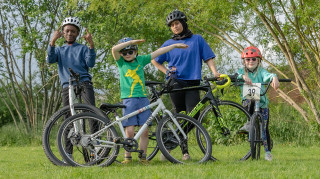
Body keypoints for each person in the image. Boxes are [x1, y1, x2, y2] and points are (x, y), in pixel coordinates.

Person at [151, 10, 221, 160]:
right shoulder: (169, 44)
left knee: (193, 115)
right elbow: (154, 59)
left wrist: (215, 72)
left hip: (193, 83)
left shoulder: (197, 40)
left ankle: (170, 142)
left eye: (177, 23)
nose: (174, 27)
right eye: (172, 25)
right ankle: (184, 152)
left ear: (183, 23)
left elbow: (208, 58)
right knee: (178, 115)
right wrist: (166, 72)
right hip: (175, 82)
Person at [112, 37, 188, 164]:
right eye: (124, 53)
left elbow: (158, 52)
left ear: (135, 52)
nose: (127, 55)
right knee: (129, 131)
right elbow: (114, 49)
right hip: (129, 100)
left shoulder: (140, 60)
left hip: (143, 99)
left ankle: (143, 157)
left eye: (130, 52)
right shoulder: (121, 63)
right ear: (121, 54)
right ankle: (127, 157)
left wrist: (174, 46)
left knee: (145, 130)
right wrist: (131, 43)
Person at [47, 16, 98, 156]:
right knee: (68, 118)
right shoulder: (59, 50)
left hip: (84, 83)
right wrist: (52, 41)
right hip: (67, 86)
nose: (70, 33)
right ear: (63, 32)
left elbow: (91, 63)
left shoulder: (82, 48)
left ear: (77, 33)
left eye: (73, 31)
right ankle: (68, 153)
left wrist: (91, 45)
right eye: (67, 31)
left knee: (91, 114)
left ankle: (96, 149)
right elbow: (50, 59)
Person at [237, 46, 280, 161]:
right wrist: (242, 77)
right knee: (249, 103)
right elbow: (235, 76)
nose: (251, 61)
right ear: (244, 61)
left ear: (259, 60)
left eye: (253, 59)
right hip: (248, 102)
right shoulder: (242, 72)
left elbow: (268, 75)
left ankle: (267, 152)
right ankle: (248, 124)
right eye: (248, 59)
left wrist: (274, 77)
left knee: (264, 128)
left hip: (262, 104)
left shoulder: (261, 71)